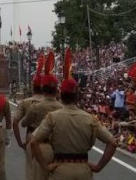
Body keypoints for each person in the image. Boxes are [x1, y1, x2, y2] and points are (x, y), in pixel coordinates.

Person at [29, 48, 116, 179]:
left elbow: (33, 142)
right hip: (83, 169)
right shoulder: (90, 119)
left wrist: (45, 167)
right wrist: (98, 167)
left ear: (61, 95)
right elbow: (113, 143)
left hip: (61, 169)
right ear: (77, 96)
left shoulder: (53, 117)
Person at [21, 52, 63, 180]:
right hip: (59, 148)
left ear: (43, 89)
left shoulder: (35, 106)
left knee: (35, 175)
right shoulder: (62, 108)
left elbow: (24, 123)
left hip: (39, 144)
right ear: (56, 90)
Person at [13, 54, 44, 180]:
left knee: (31, 171)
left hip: (31, 135)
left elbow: (15, 122)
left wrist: (20, 142)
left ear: (32, 87)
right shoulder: (55, 103)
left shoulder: (26, 102)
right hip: (50, 139)